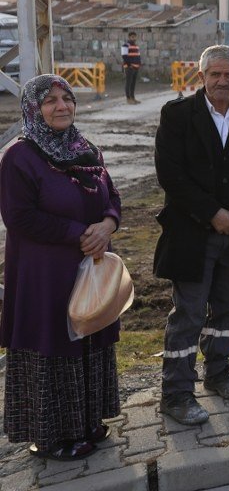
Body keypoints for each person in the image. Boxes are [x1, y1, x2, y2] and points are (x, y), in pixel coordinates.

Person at [1, 75, 121, 460]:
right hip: (45, 276)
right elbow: (19, 216)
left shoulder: (85, 148)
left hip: (90, 268)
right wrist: (78, 232)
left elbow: (112, 194)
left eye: (67, 98)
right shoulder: (19, 156)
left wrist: (107, 225)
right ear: (33, 109)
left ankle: (87, 423)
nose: (62, 106)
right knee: (53, 345)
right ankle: (52, 436)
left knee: (87, 340)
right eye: (49, 100)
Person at [154, 45, 229, 427]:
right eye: (214, 74)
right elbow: (171, 175)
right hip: (192, 234)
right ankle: (177, 393)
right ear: (200, 77)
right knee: (188, 313)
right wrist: (212, 213)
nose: (222, 81)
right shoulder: (177, 115)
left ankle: (218, 372)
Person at [121, 30, 142, 104]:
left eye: (135, 37)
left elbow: (138, 56)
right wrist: (129, 65)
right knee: (128, 83)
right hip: (130, 67)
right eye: (132, 37)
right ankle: (128, 98)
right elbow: (124, 56)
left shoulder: (136, 46)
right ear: (129, 37)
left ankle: (133, 98)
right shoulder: (125, 45)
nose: (134, 38)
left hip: (136, 67)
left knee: (133, 83)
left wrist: (139, 64)